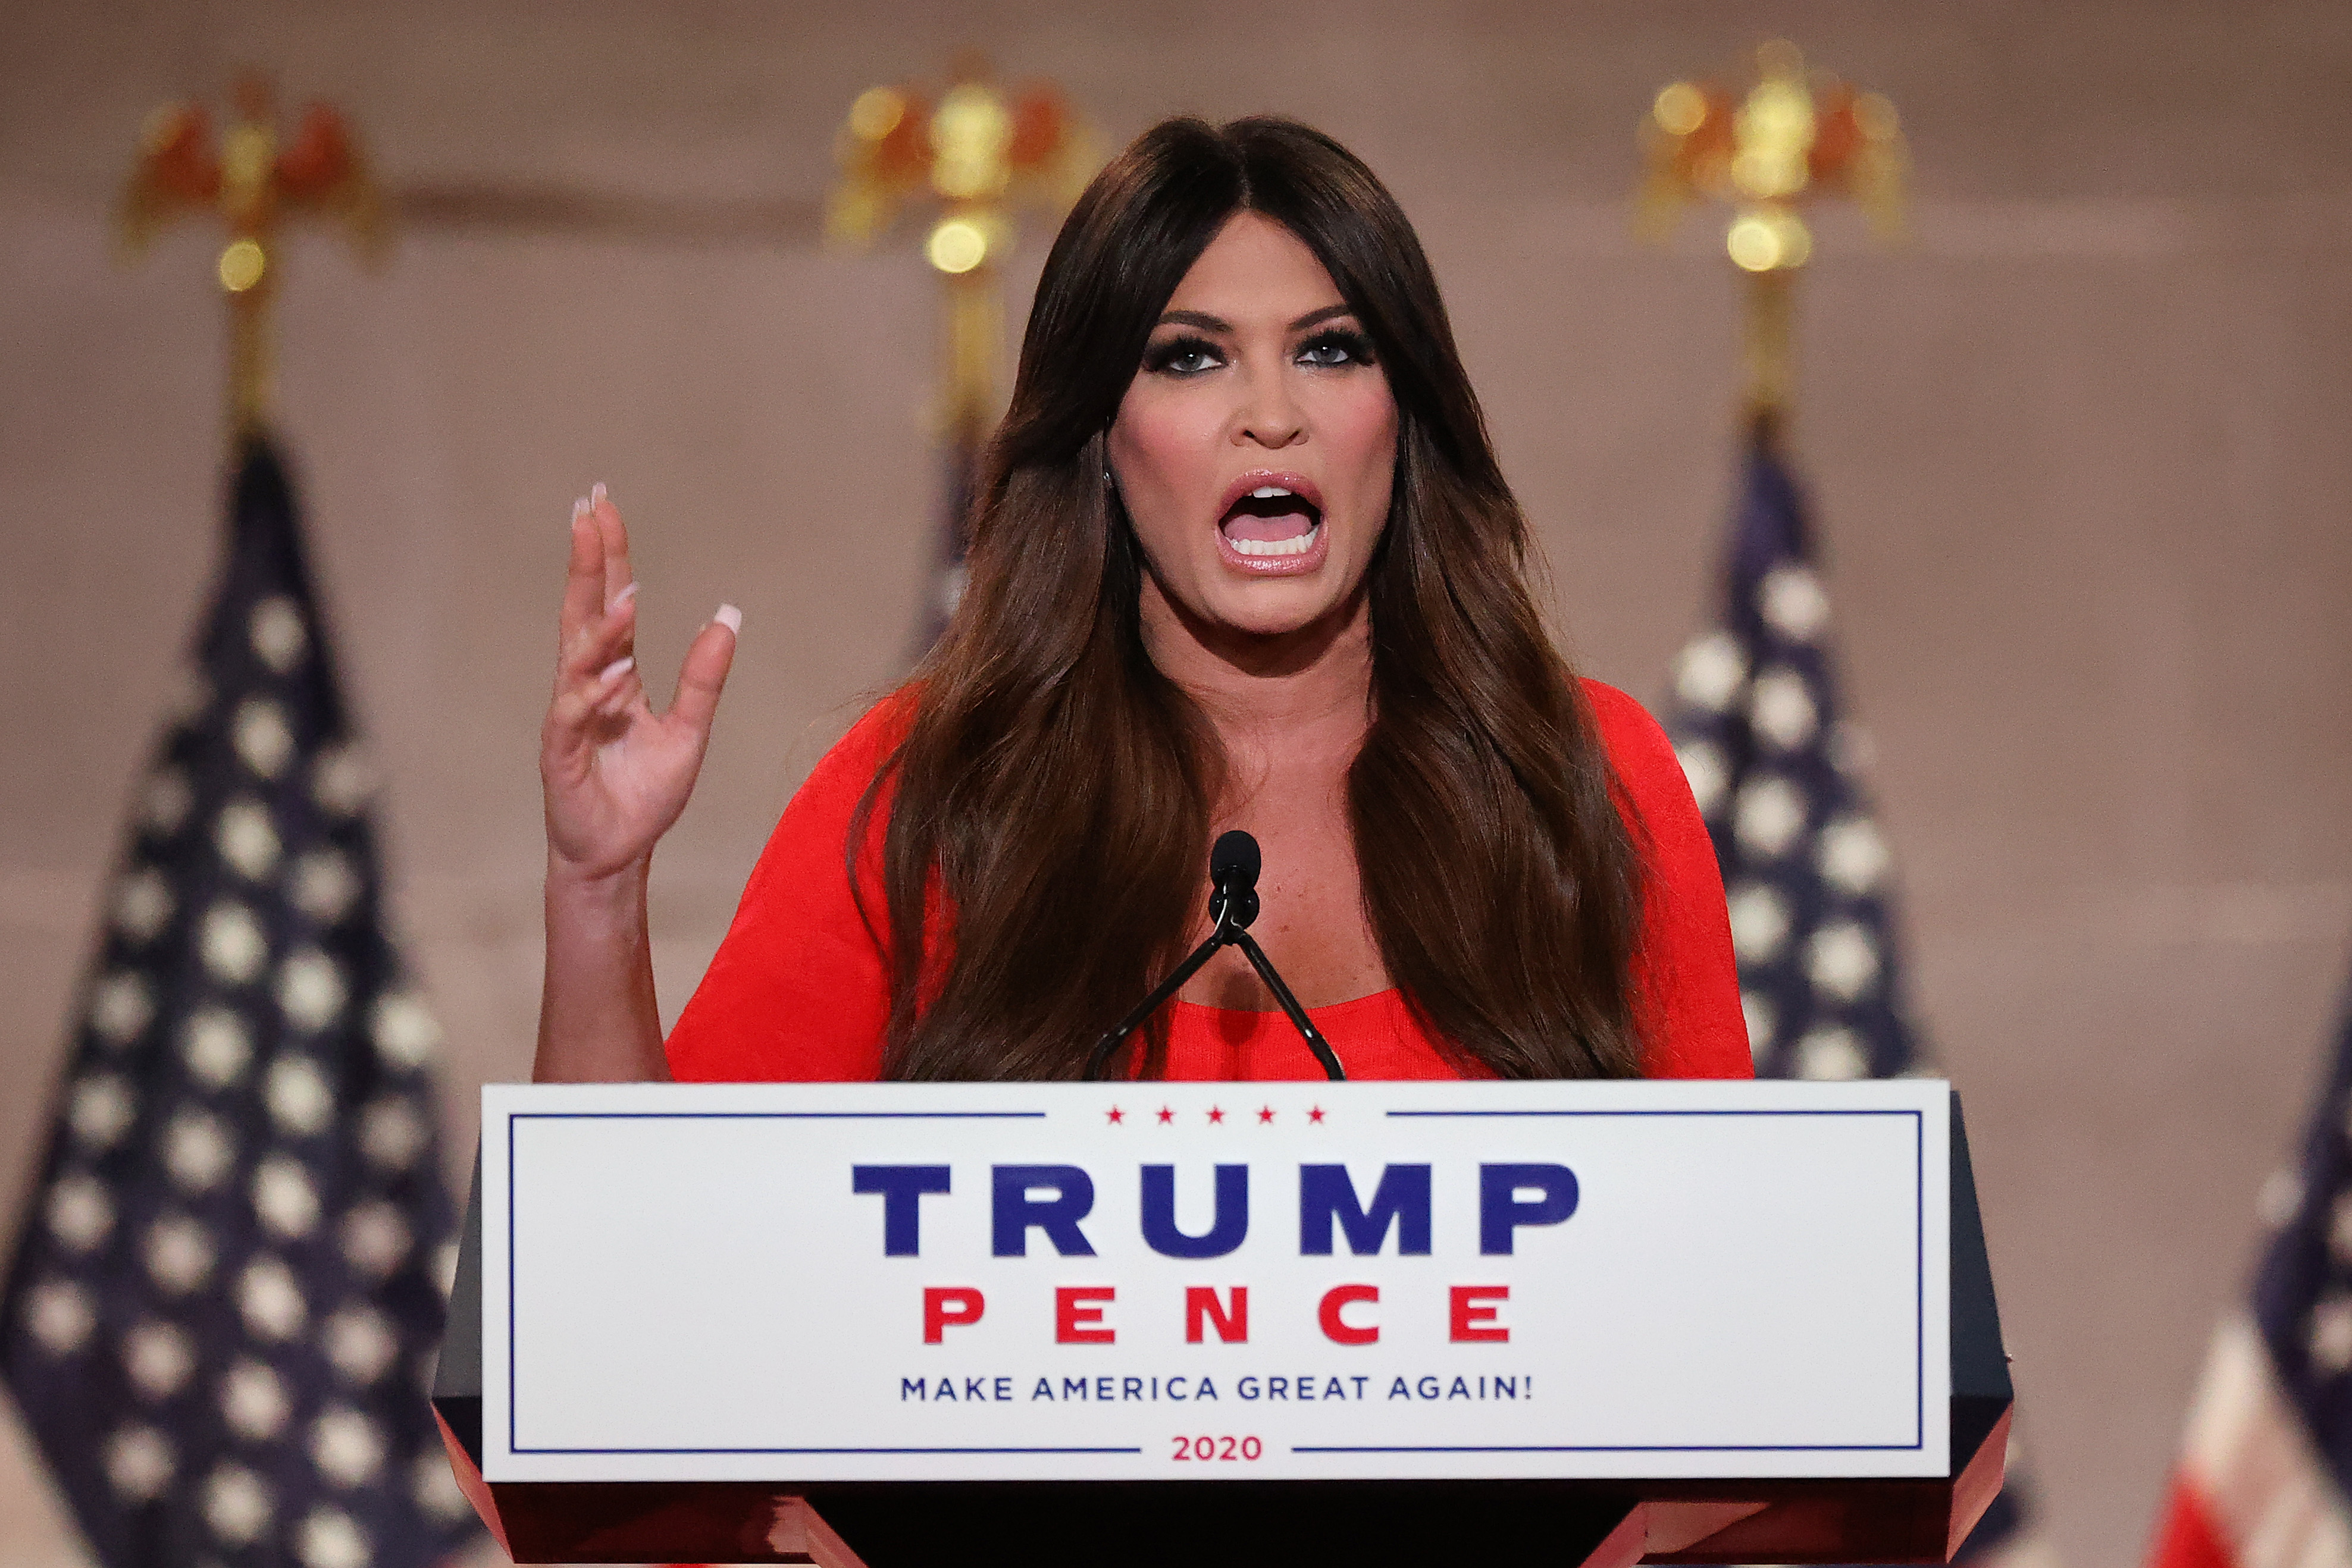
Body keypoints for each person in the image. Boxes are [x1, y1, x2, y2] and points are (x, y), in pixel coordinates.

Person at [533, 116, 1749, 1086]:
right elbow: (637, 1299)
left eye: (1330, 349)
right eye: (1189, 356)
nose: (1270, 412)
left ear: (1406, 418)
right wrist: (598, 889)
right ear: (1102, 438)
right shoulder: (935, 796)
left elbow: (1743, 1301)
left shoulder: (1580, 774)